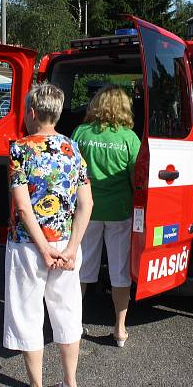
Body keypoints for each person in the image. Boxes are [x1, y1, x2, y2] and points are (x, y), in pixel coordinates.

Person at [4, 82, 93, 387]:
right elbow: (86, 203)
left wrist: (42, 248)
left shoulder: (20, 149)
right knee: (68, 311)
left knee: (28, 313)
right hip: (66, 245)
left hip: (29, 246)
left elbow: (23, 208)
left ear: (31, 112)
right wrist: (71, 247)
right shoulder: (72, 149)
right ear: (55, 113)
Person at [71, 85, 141, 348]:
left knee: (81, 269)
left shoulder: (80, 133)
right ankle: (120, 329)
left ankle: (74, 324)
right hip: (119, 212)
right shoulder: (129, 138)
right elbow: (137, 180)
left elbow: (72, 171)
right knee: (119, 271)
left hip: (86, 210)